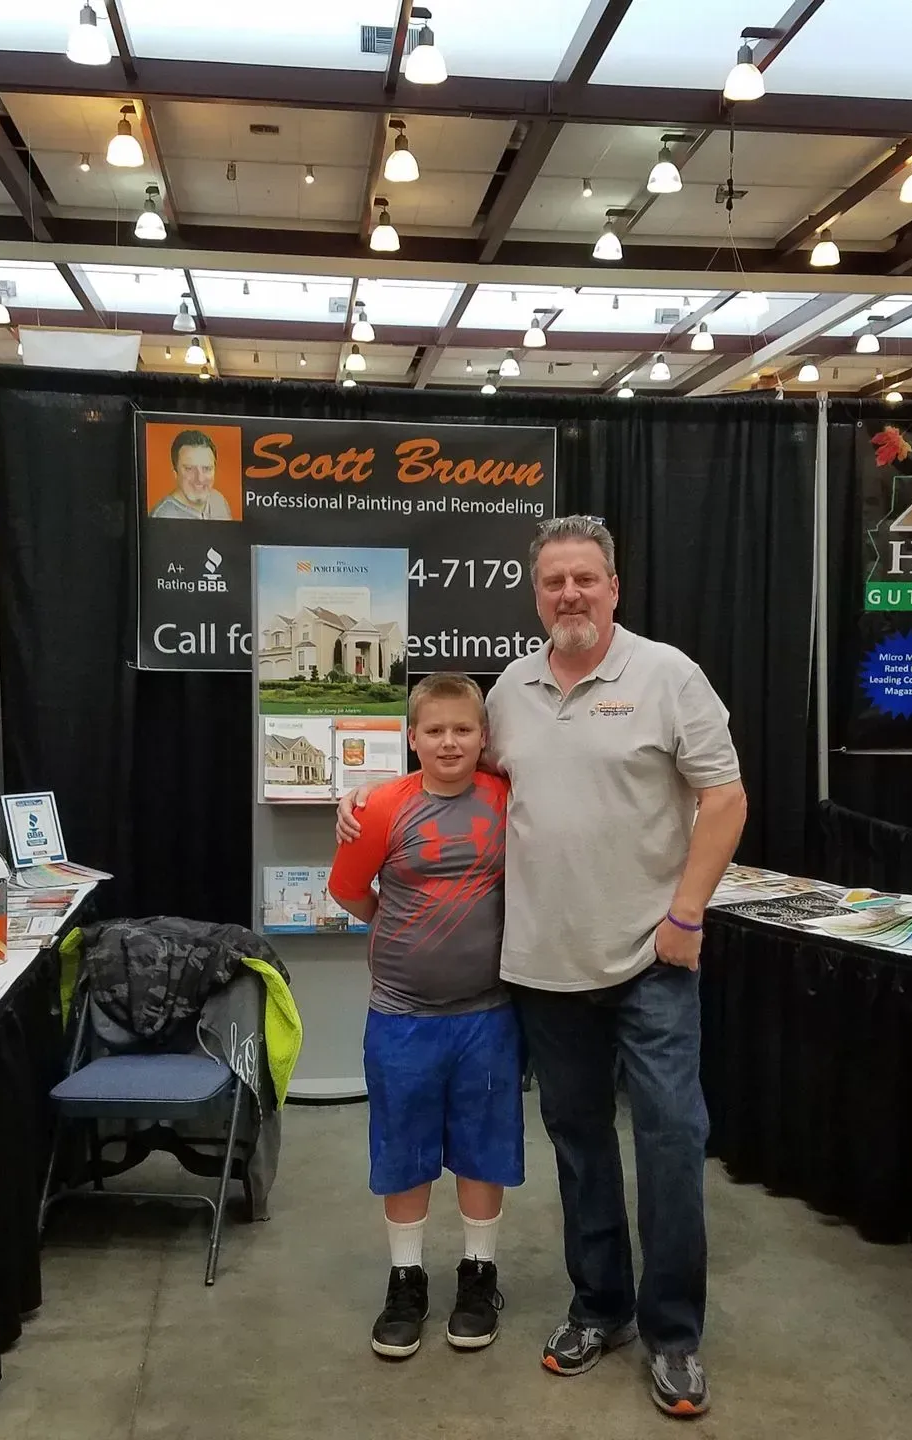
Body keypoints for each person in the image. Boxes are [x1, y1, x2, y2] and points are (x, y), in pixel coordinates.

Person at [339, 517, 746, 1418]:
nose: (570, 595)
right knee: (579, 1143)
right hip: (545, 971)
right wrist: (362, 802)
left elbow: (724, 796)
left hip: (652, 959)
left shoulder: (668, 676)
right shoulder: (510, 692)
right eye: (554, 581)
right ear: (537, 595)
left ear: (613, 587)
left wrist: (687, 913)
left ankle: (674, 1334)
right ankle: (601, 1306)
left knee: (672, 1142)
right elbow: (445, 776)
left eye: (585, 580)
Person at [327, 672, 523, 1361]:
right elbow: (348, 890)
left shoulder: (507, 798)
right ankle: (406, 1281)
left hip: (488, 1015)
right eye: (434, 730)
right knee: (403, 1152)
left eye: (462, 729)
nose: (448, 742)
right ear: (411, 738)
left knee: (482, 1147)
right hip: (402, 1016)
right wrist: (399, 932)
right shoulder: (379, 808)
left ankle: (478, 1276)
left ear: (483, 738)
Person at [150, 428, 233, 520]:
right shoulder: (162, 516)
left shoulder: (219, 501)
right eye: (189, 469)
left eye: (207, 468)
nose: (200, 479)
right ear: (175, 473)